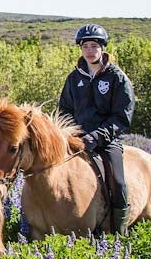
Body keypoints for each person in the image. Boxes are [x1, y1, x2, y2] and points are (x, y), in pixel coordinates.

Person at [58, 23, 135, 233]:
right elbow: (64, 110)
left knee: (118, 183)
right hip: (77, 140)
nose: (90, 51)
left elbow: (122, 117)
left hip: (107, 141)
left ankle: (119, 230)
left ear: (102, 48)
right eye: (86, 47)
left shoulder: (117, 77)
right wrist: (70, 134)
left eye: (94, 46)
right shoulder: (74, 78)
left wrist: (95, 138)